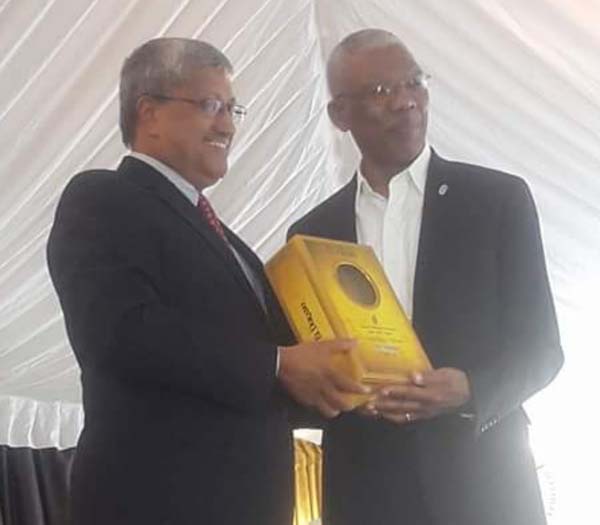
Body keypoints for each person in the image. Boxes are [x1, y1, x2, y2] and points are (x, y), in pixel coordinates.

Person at [47, 37, 365, 525]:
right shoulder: (102, 198)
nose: (228, 125)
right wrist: (278, 364)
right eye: (210, 105)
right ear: (148, 112)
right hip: (157, 500)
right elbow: (122, 331)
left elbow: (255, 373)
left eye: (233, 109)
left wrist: (343, 383)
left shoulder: (230, 242)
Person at [288, 29, 564, 525]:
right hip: (366, 488)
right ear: (339, 115)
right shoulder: (311, 234)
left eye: (413, 82)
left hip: (484, 484)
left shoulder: (495, 202)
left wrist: (470, 390)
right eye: (380, 91)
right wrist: (336, 391)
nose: (405, 102)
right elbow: (304, 373)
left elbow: (542, 351)